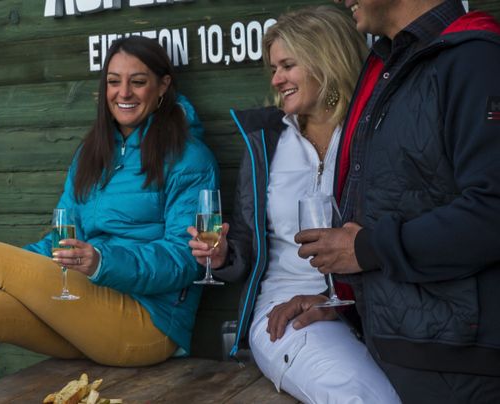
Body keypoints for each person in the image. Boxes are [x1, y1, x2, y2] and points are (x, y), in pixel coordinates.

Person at [0, 36, 219, 401]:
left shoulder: (189, 158)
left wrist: (102, 262)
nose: (123, 92)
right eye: (114, 81)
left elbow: (184, 258)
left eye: (138, 81)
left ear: (163, 86)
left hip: (149, 323)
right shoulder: (91, 153)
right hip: (85, 312)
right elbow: (61, 242)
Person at [187, 6, 400, 403]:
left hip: (374, 305)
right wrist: (222, 255)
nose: (276, 78)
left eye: (288, 65)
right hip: (288, 311)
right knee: (363, 396)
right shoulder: (268, 142)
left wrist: (348, 301)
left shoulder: (374, 126)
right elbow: (249, 241)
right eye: (273, 68)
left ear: (325, 60)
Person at [293, 0, 500, 401]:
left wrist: (367, 248)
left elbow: (493, 210)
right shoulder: (392, 64)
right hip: (403, 351)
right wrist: (343, 302)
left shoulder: (474, 58)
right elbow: (403, 198)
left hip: (462, 367)